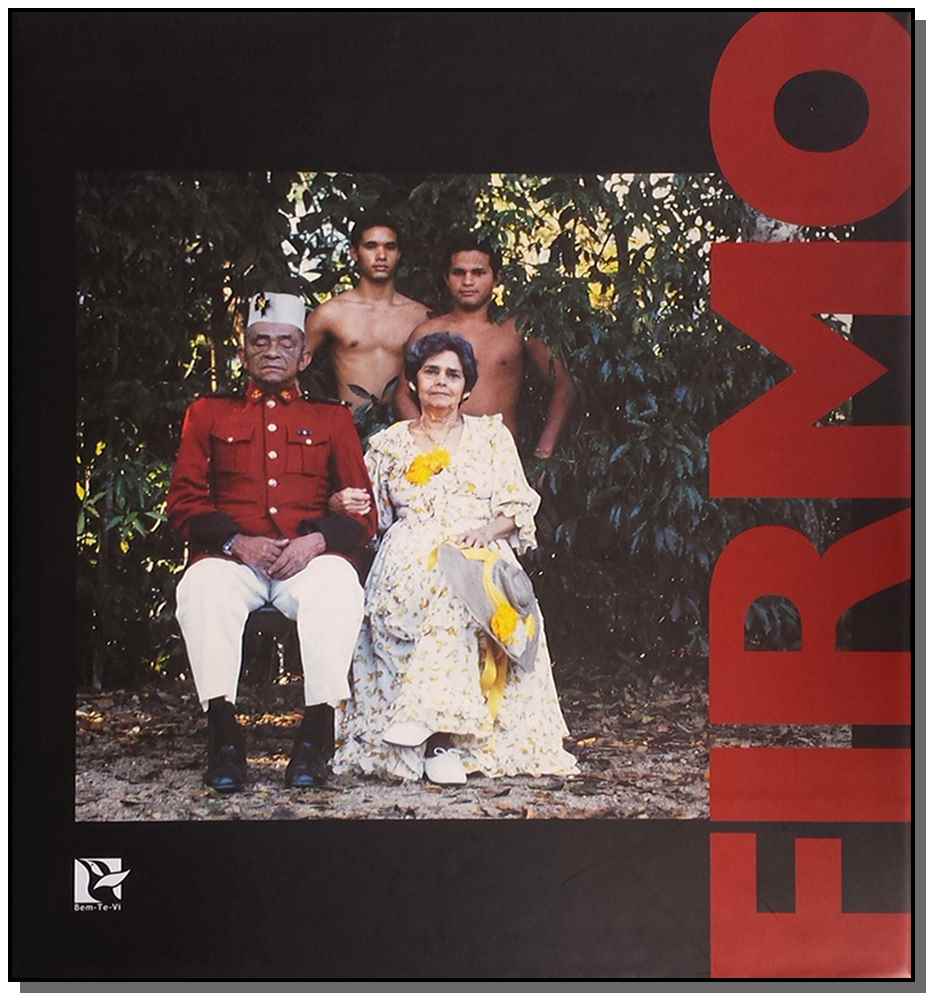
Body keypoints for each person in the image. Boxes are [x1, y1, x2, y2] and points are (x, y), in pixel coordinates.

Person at [333, 332, 578, 784]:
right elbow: (372, 519)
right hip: (407, 562)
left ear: (466, 387)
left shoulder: (491, 436)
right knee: (439, 582)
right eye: (431, 372)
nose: (442, 382)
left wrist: (485, 532)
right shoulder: (388, 444)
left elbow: (517, 507)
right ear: (413, 381)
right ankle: (437, 738)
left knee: (458, 581)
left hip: (478, 551)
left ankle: (433, 731)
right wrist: (342, 504)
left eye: (453, 374)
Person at [167, 291, 377, 793]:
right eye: (260, 342)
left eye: (285, 343)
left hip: (304, 561)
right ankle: (223, 735)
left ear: (304, 357)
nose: (272, 351)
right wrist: (235, 541)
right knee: (201, 589)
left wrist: (315, 543)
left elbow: (363, 513)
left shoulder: (332, 419)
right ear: (244, 353)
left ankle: (315, 734)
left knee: (338, 585)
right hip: (233, 559)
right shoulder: (208, 413)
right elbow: (183, 503)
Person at [393, 233, 575, 458]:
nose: (468, 281)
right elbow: (402, 395)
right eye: (459, 272)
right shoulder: (427, 332)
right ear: (446, 278)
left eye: (478, 273)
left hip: (498, 456)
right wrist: (425, 445)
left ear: (496, 278)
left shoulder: (518, 329)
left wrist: (544, 449)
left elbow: (563, 385)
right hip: (437, 455)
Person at [304, 214, 429, 413]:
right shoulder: (330, 313)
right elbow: (292, 367)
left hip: (404, 425)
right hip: (348, 424)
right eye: (371, 246)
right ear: (354, 253)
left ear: (399, 254)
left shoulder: (420, 317)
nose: (381, 255)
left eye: (390, 247)